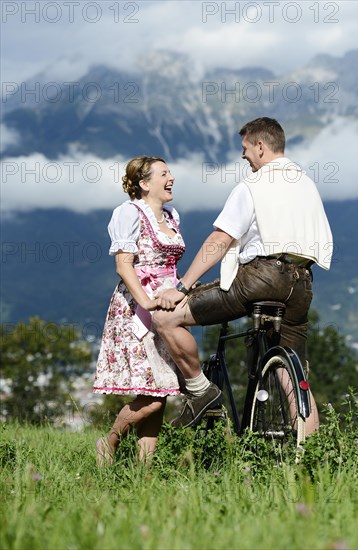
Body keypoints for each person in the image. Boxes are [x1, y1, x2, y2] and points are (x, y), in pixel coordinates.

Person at [153, 117, 333, 434]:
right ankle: (312, 456)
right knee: (296, 379)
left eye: (245, 148)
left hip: (260, 278)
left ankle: (200, 391)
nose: (243, 155)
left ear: (260, 146)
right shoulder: (306, 183)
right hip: (302, 283)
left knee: (166, 319)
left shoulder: (253, 185)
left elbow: (220, 240)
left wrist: (183, 286)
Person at [93, 156, 186, 464]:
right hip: (137, 309)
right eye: (164, 173)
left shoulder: (172, 216)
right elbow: (123, 265)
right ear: (145, 184)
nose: (171, 177)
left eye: (169, 172)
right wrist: (146, 301)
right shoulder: (128, 213)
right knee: (151, 396)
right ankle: (110, 441)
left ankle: (144, 472)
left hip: (168, 309)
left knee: (159, 394)